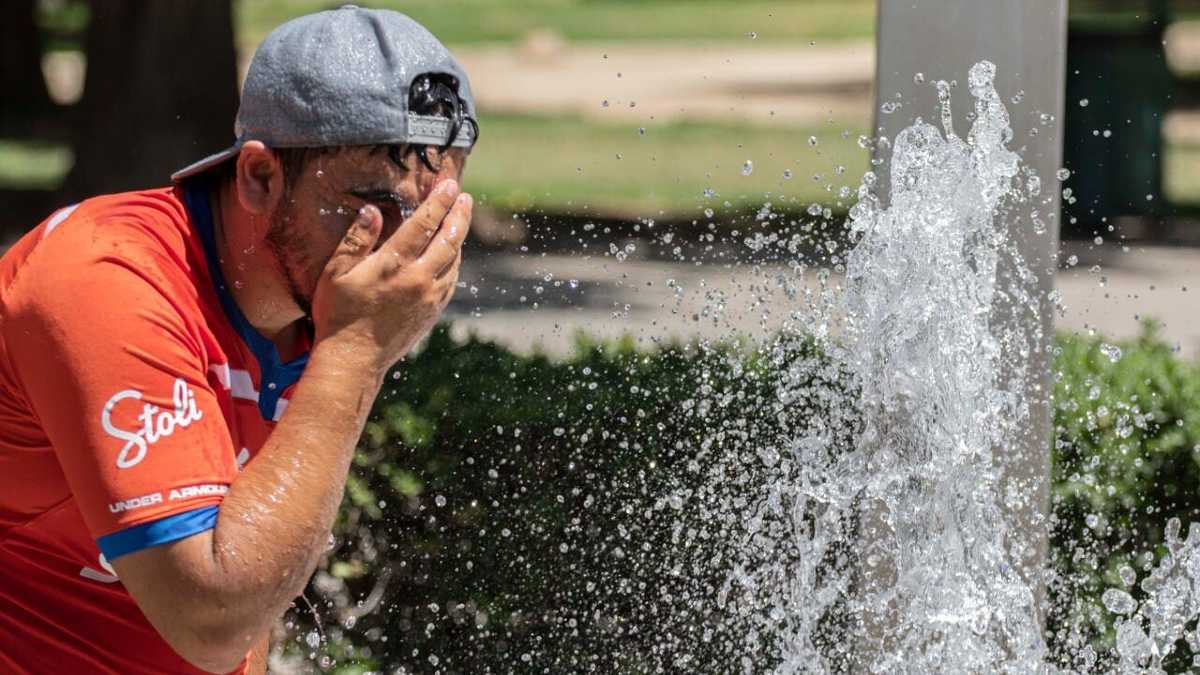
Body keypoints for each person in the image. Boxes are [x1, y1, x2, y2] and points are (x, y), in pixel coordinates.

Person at [0, 6, 478, 673]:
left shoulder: (323, 297)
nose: (403, 246)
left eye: (431, 212)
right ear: (259, 176)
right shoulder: (107, 280)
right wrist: (357, 352)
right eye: (374, 203)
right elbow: (213, 620)